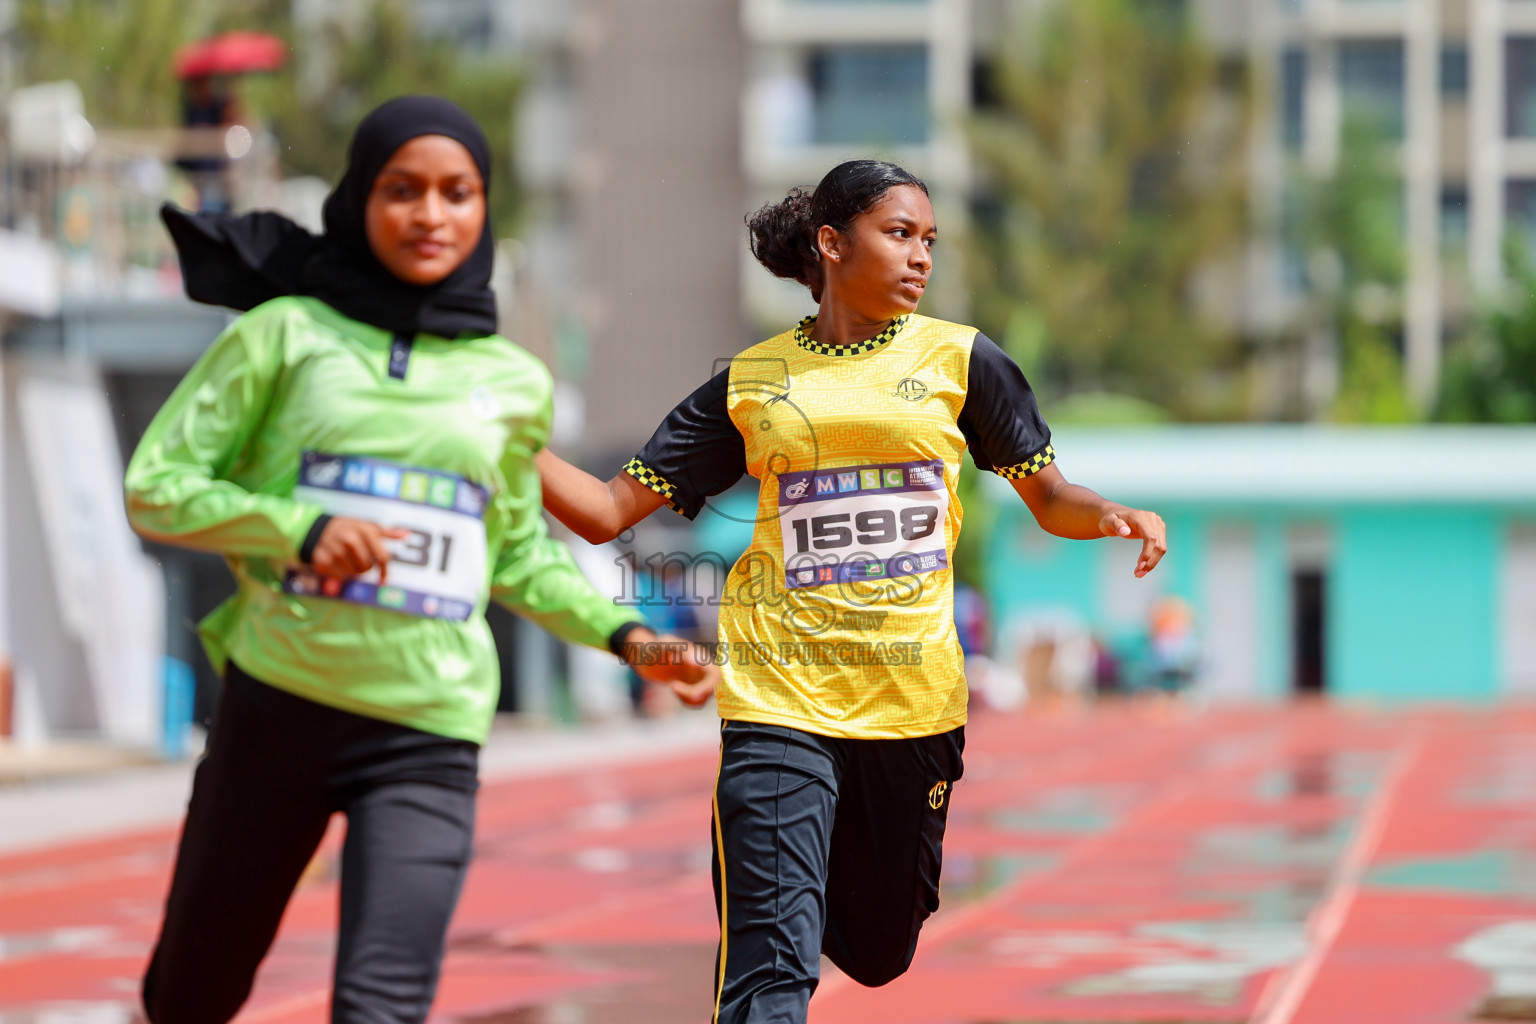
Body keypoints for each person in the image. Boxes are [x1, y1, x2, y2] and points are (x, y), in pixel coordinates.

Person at [534, 159, 1169, 1023]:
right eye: (900, 235)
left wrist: (1111, 514)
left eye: (930, 241)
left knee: (877, 952)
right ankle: (781, 905)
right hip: (777, 697)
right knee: (769, 967)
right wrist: (502, 445)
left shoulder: (962, 361)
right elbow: (611, 510)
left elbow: (1049, 496)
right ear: (832, 243)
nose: (921, 259)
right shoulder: (753, 382)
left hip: (911, 704)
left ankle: (806, 893)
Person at [125, 96, 713, 1024]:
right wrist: (299, 532)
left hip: (426, 734)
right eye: (403, 191)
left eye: (457, 193)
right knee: (190, 997)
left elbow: (515, 554)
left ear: (484, 210)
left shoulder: (513, 382)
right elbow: (157, 485)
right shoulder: (284, 337)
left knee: (383, 1007)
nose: (431, 215)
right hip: (278, 709)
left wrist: (630, 635)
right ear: (362, 199)